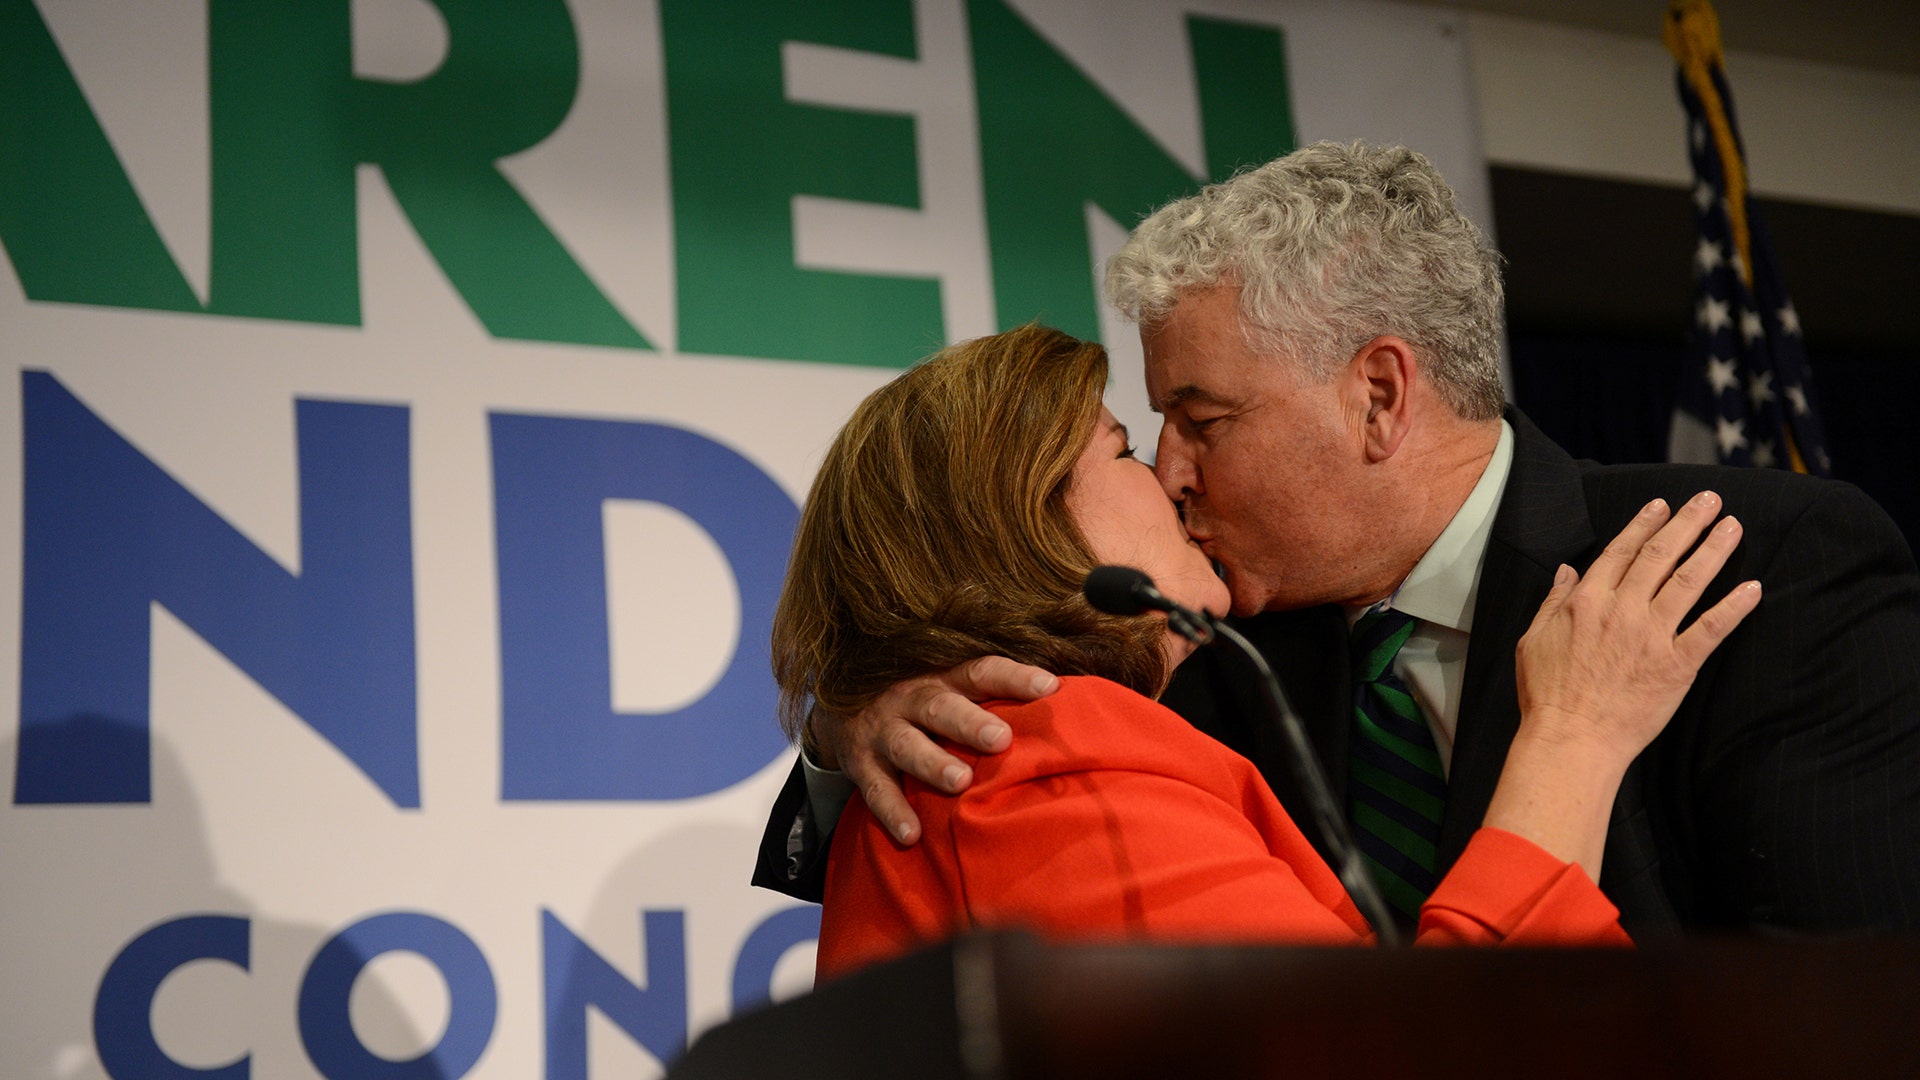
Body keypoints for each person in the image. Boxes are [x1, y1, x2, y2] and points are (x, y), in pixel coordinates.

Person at [755, 142, 1920, 936]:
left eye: (1202, 420)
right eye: (1148, 432)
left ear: (1378, 397)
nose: (1171, 470)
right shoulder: (1189, 655)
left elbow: (1845, 1015)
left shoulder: (1755, 567)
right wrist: (861, 715)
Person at [773, 323, 1757, 977]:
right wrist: (1572, 738)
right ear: (1029, 530)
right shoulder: (1047, 748)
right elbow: (1403, 1057)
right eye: (1124, 448)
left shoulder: (1133, 699)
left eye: (1201, 424)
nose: (1169, 475)